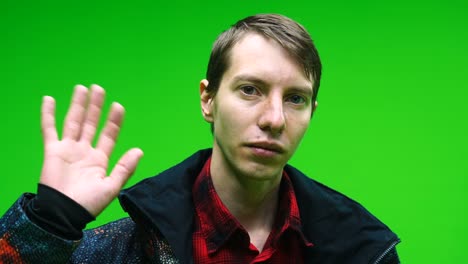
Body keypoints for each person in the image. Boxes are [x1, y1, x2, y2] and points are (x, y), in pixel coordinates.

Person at [0, 14, 400, 263]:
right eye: (250, 90)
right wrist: (48, 222)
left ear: (311, 113)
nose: (274, 118)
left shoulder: (361, 249)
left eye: (295, 98)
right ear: (208, 100)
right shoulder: (126, 247)